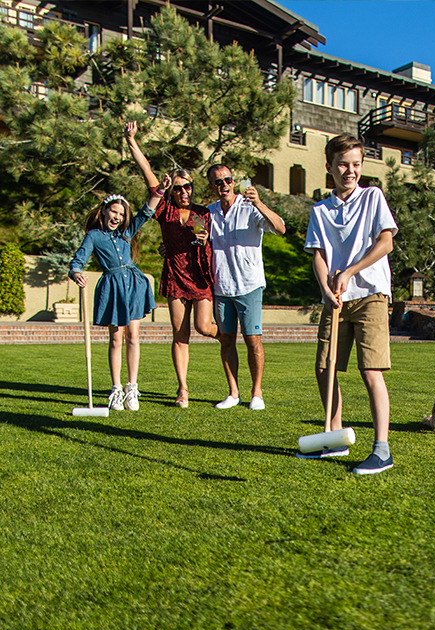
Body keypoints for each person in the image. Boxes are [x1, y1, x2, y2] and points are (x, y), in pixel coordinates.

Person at [299, 133, 398, 475]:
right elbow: (319, 255)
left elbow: (385, 243)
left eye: (356, 164)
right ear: (329, 167)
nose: (350, 171)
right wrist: (326, 286)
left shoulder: (373, 197)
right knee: (325, 367)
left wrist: (351, 271)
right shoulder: (320, 210)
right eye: (343, 164)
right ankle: (335, 438)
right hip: (336, 299)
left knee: (370, 370)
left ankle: (382, 449)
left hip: (370, 294)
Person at [124, 121, 219, 408]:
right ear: (172, 191)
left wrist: (204, 241)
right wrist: (131, 141)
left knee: (204, 326)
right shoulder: (164, 210)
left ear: (193, 187)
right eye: (178, 188)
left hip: (199, 277)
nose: (183, 192)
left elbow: (211, 242)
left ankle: (227, 336)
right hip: (175, 277)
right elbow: (148, 175)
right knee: (180, 335)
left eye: (187, 187)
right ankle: (183, 389)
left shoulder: (203, 212)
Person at [69, 174, 172, 411]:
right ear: (104, 211)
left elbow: (146, 212)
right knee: (116, 338)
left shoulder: (127, 232)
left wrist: (160, 191)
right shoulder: (94, 236)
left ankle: (132, 388)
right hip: (113, 287)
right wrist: (76, 273)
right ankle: (116, 390)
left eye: (121, 214)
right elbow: (78, 261)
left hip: (134, 285)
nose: (117, 217)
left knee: (133, 337)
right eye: (114, 212)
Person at [206, 164, 286, 410]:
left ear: (234, 181)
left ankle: (257, 393)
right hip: (221, 287)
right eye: (218, 182)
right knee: (226, 341)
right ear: (212, 186)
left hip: (249, 285)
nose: (224, 185)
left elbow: (281, 228)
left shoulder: (249, 207)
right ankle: (233, 393)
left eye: (227, 180)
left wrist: (259, 203)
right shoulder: (208, 213)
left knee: (253, 340)